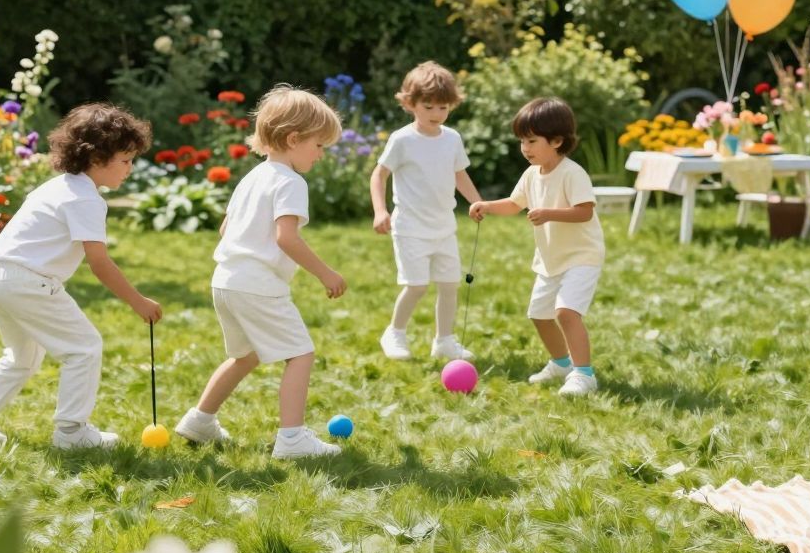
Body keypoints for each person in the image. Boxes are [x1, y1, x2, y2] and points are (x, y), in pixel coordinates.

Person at [0, 104, 162, 450]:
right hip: (31, 283)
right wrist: (138, 301)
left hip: (1, 276)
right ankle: (72, 432)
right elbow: (100, 263)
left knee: (22, 357)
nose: (130, 168)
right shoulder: (86, 200)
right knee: (84, 347)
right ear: (96, 158)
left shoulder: (58, 186)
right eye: (125, 160)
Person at [174, 86, 348, 458]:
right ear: (294, 138)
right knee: (300, 354)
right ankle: (292, 439)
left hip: (226, 280)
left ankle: (200, 421)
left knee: (246, 355)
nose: (321, 156)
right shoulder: (290, 182)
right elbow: (286, 238)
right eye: (319, 146)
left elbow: (226, 229)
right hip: (259, 285)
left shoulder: (253, 177)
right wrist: (325, 273)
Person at [470, 97, 604, 397]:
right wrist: (487, 206)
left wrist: (549, 213)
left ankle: (584, 375)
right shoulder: (532, 174)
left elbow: (585, 211)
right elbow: (515, 203)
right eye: (521, 141)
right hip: (550, 258)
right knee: (539, 314)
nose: (525, 148)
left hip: (582, 256)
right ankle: (561, 363)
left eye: (531, 140)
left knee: (566, 313)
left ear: (557, 141)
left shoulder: (572, 173)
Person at [371, 61, 482, 362]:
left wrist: (476, 201)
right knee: (417, 285)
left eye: (443, 108)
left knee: (449, 285)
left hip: (444, 226)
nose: (436, 114)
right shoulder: (402, 140)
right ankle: (394, 332)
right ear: (410, 103)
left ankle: (444, 340)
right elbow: (379, 175)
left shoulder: (452, 139)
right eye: (428, 106)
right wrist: (380, 211)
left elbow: (460, 174)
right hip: (410, 228)